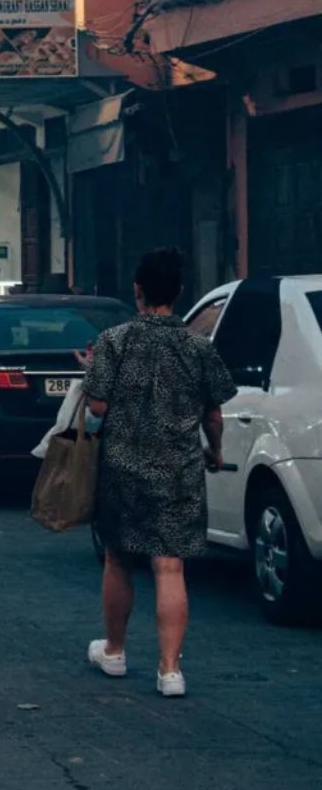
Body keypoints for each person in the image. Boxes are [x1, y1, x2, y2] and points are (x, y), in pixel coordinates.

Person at [82, 248, 235, 698]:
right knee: (170, 568)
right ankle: (170, 671)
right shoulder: (197, 346)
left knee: (118, 558)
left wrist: (92, 375)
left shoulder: (115, 341)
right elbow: (214, 414)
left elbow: (98, 406)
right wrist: (215, 451)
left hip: (123, 468)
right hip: (179, 469)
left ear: (138, 291)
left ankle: (114, 650)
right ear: (180, 293)